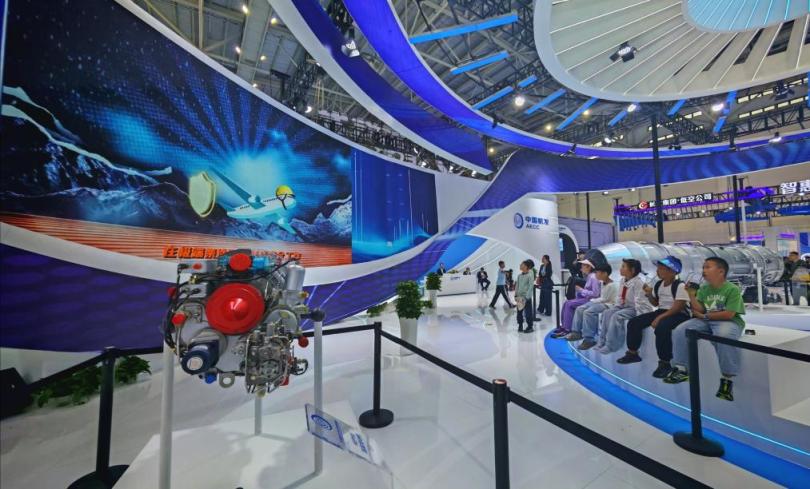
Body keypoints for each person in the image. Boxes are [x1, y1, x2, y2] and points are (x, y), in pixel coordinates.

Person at [665, 257, 746, 401]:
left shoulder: (732, 289)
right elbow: (700, 308)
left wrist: (705, 316)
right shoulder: (704, 289)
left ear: (721, 271)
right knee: (680, 330)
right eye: (703, 267)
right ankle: (682, 369)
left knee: (724, 336)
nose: (704, 270)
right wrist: (691, 295)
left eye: (708, 267)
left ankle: (727, 379)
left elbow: (729, 314)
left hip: (727, 321)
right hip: (706, 320)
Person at [616, 256, 691, 378]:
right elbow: (656, 303)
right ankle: (633, 352)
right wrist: (649, 294)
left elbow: (678, 307)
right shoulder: (659, 284)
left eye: (661, 268)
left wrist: (659, 318)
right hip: (662, 311)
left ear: (672, 271)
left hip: (678, 314)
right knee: (634, 322)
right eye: (658, 268)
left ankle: (665, 362)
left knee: (662, 328)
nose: (657, 271)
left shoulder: (680, 286)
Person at [594, 259, 654, 353]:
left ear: (632, 270)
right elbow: (620, 296)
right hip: (624, 306)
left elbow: (640, 302)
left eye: (623, 267)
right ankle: (602, 341)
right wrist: (616, 307)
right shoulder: (623, 280)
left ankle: (612, 345)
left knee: (617, 316)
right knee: (607, 313)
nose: (620, 269)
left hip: (635, 308)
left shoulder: (638, 283)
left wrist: (639, 316)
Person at [565, 264, 618, 349]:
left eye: (598, 272)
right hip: (600, 301)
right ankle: (576, 332)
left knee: (589, 312)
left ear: (605, 273)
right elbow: (601, 297)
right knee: (579, 308)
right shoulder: (602, 282)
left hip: (608, 304)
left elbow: (604, 299)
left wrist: (592, 300)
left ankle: (589, 339)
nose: (596, 274)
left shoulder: (611, 285)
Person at [552, 259, 600, 338]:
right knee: (567, 303)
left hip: (591, 300)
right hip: (586, 298)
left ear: (589, 267)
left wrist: (581, 290)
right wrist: (581, 292)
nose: (581, 267)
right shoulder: (590, 276)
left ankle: (567, 328)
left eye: (583, 265)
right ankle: (564, 326)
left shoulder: (593, 277)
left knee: (569, 304)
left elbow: (596, 294)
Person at [515, 259, 537, 333]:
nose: (520, 265)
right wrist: (516, 294)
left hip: (526, 297)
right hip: (519, 297)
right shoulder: (519, 276)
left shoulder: (529, 275)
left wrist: (527, 297)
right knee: (519, 312)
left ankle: (530, 326)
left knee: (528, 313)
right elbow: (517, 285)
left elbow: (531, 287)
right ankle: (520, 325)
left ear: (526, 267)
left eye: (522, 265)